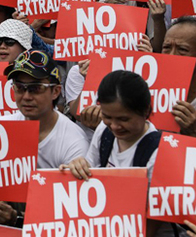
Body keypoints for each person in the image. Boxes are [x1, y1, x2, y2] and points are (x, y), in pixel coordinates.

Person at [0, 49, 89, 225]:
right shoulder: (1, 127)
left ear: (55, 92)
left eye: (35, 88)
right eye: (19, 87)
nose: (26, 96)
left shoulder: (74, 142)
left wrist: (16, 220)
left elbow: (73, 214)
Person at [61, 70, 177, 237]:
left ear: (145, 111)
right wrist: (77, 168)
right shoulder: (103, 131)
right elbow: (90, 176)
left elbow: (148, 227)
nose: (114, 126)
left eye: (124, 119)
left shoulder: (159, 155)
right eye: (107, 117)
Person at [162, 17, 196, 139]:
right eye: (167, 47)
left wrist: (192, 134)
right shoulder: (146, 94)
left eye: (182, 50)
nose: (171, 56)